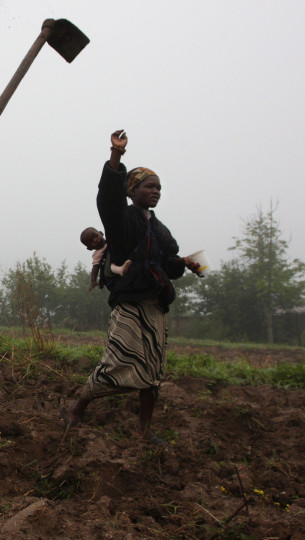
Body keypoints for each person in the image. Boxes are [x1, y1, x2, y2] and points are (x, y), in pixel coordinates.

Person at [64, 130, 199, 444]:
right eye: (149, 186)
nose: (156, 191)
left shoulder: (159, 227)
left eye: (159, 188)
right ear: (132, 190)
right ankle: (78, 407)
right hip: (128, 305)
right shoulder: (121, 218)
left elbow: (168, 263)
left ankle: (144, 429)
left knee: (152, 370)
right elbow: (107, 198)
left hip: (154, 306)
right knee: (117, 362)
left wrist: (185, 263)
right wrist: (116, 155)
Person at [80, 226, 130, 291]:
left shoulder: (111, 241)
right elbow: (95, 267)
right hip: (112, 268)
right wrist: (93, 281)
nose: (95, 240)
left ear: (101, 233)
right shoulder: (97, 254)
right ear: (89, 248)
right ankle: (121, 270)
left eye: (96, 236)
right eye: (91, 241)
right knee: (111, 265)